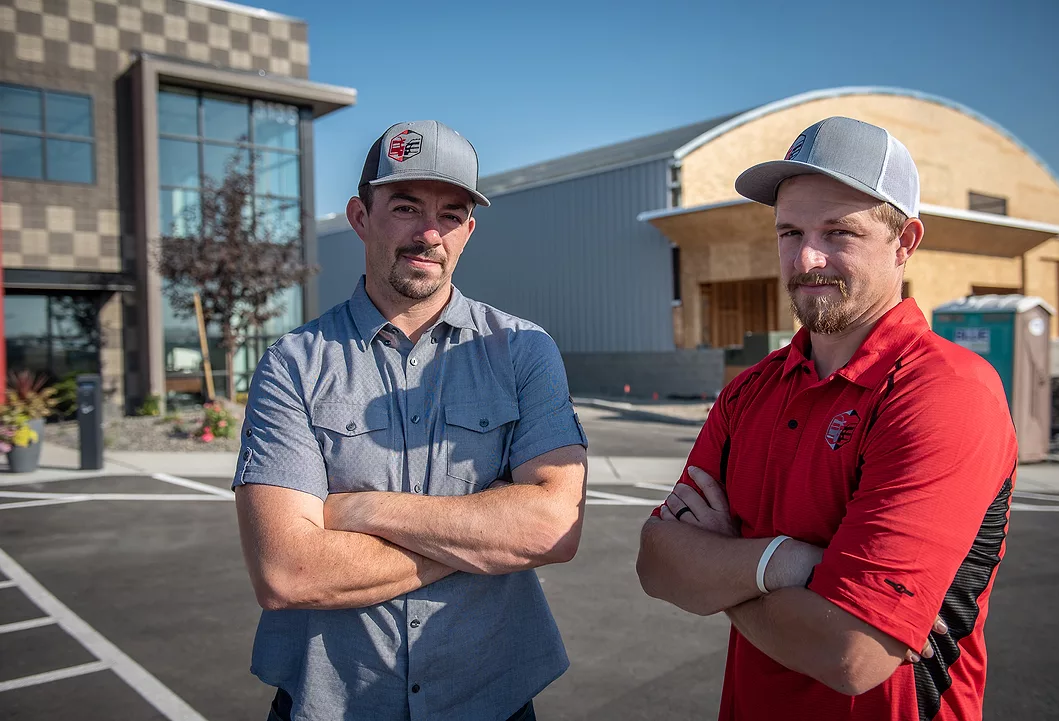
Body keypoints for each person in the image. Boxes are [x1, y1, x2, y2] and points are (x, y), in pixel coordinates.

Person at [636, 116, 1017, 720]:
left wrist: (723, 569)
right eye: (790, 232)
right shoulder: (749, 392)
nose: (807, 258)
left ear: (905, 242)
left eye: (839, 232)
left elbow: (851, 653)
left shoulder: (944, 390)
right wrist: (787, 564)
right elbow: (657, 563)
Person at [233, 120, 589, 721]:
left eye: (451, 215)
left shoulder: (523, 351)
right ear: (360, 217)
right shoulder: (293, 364)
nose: (429, 234)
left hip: (492, 700)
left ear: (468, 231)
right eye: (405, 208)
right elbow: (288, 571)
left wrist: (363, 510)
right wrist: (485, 539)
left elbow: (553, 526)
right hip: (331, 702)